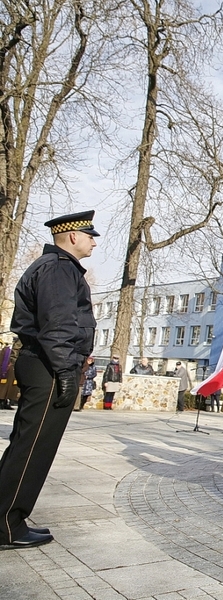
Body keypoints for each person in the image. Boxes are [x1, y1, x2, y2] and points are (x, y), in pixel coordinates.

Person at [0, 210, 99, 549]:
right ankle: (7, 525)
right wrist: (64, 371)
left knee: (30, 446)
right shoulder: (58, 268)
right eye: (89, 235)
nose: (93, 241)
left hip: (46, 364)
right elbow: (57, 325)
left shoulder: (56, 267)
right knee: (32, 449)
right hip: (48, 366)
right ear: (72, 236)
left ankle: (10, 517)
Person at [0, 342, 16, 410]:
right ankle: (1, 402)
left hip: (12, 372)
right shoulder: (6, 350)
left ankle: (7, 402)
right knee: (3, 387)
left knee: (11, 388)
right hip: (5, 371)